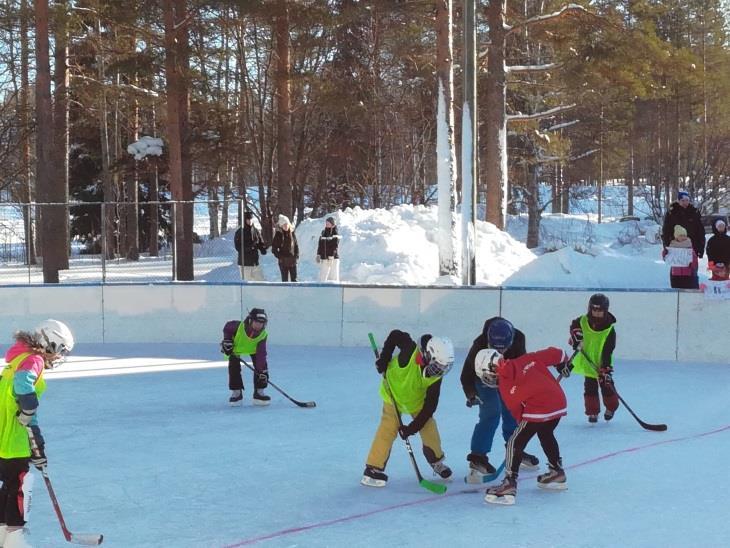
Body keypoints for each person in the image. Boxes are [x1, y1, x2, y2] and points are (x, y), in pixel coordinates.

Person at [0, 320, 74, 547]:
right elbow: (24, 386)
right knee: (20, 488)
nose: (59, 356)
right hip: (14, 442)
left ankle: (4, 536)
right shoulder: (34, 359)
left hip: (5, 439)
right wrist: (29, 404)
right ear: (50, 343)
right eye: (61, 350)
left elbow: (24, 413)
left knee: (9, 488)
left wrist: (37, 444)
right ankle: (15, 540)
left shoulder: (16, 360)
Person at [477, 346, 570, 505]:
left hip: (539, 408)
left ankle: (509, 483)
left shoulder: (505, 386)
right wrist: (564, 363)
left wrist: (521, 434)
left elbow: (518, 414)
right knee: (545, 433)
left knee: (514, 442)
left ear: (491, 370)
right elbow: (559, 353)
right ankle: (557, 472)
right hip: (559, 401)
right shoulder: (526, 359)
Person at [361, 331, 454, 487]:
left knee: (429, 427)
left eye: (443, 367)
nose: (439, 371)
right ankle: (373, 469)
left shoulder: (436, 377)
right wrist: (384, 358)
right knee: (387, 429)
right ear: (427, 356)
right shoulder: (410, 350)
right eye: (437, 365)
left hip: (416, 403)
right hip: (392, 396)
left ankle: (436, 461)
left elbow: (430, 407)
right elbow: (395, 335)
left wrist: (411, 429)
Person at [459, 317, 539, 484]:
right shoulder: (479, 345)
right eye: (496, 348)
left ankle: (515, 447)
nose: (500, 353)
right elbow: (466, 374)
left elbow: (522, 367)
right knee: (491, 412)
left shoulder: (518, 340)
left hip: (507, 376)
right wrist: (471, 394)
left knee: (513, 410)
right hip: (483, 378)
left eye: (504, 349)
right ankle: (478, 456)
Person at [569, 293, 619, 423]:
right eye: (594, 310)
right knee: (589, 388)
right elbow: (574, 326)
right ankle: (592, 412)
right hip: (587, 361)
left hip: (602, 363)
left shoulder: (609, 330)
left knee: (606, 386)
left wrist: (605, 368)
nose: (596, 313)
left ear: (605, 311)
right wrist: (577, 338)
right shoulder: (582, 321)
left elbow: (608, 350)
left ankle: (611, 407)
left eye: (600, 311)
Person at [221, 308, 270, 406]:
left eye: (261, 323)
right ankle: (236, 392)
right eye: (256, 322)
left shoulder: (263, 335)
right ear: (250, 320)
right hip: (235, 349)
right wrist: (227, 340)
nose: (259, 325)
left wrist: (262, 372)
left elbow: (261, 354)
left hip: (254, 350)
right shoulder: (238, 326)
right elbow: (227, 327)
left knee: (262, 368)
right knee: (233, 368)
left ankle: (259, 393)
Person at [661, 190, 705, 261]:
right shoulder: (672, 212)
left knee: (692, 269)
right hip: (676, 246)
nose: (685, 202)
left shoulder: (694, 212)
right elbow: (666, 231)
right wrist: (666, 245)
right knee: (677, 269)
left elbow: (700, 231)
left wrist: (701, 248)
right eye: (683, 200)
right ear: (678, 201)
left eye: (687, 200)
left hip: (692, 246)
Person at [234, 211, 268, 281]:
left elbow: (260, 242)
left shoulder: (255, 230)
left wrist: (262, 248)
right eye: (248, 219)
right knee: (247, 283)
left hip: (255, 262)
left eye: (251, 219)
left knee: (261, 281)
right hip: (245, 263)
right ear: (245, 220)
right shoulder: (240, 232)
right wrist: (250, 247)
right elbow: (238, 247)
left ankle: (260, 292)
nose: (250, 221)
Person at [271, 215, 299, 282]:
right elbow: (274, 249)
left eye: (286, 224)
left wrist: (296, 255)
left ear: (289, 224)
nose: (285, 226)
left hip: (292, 260)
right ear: (281, 226)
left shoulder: (292, 234)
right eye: (283, 225)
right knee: (285, 281)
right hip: (283, 262)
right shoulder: (278, 235)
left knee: (294, 280)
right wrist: (280, 257)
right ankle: (285, 292)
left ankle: (294, 292)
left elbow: (296, 246)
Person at [316, 216, 341, 282]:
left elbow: (334, 246)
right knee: (322, 276)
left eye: (328, 223)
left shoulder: (335, 233)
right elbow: (320, 245)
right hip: (324, 257)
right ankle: (322, 289)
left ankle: (335, 290)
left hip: (333, 258)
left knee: (333, 277)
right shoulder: (323, 233)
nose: (326, 224)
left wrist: (331, 256)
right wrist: (318, 254)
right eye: (326, 223)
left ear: (332, 224)